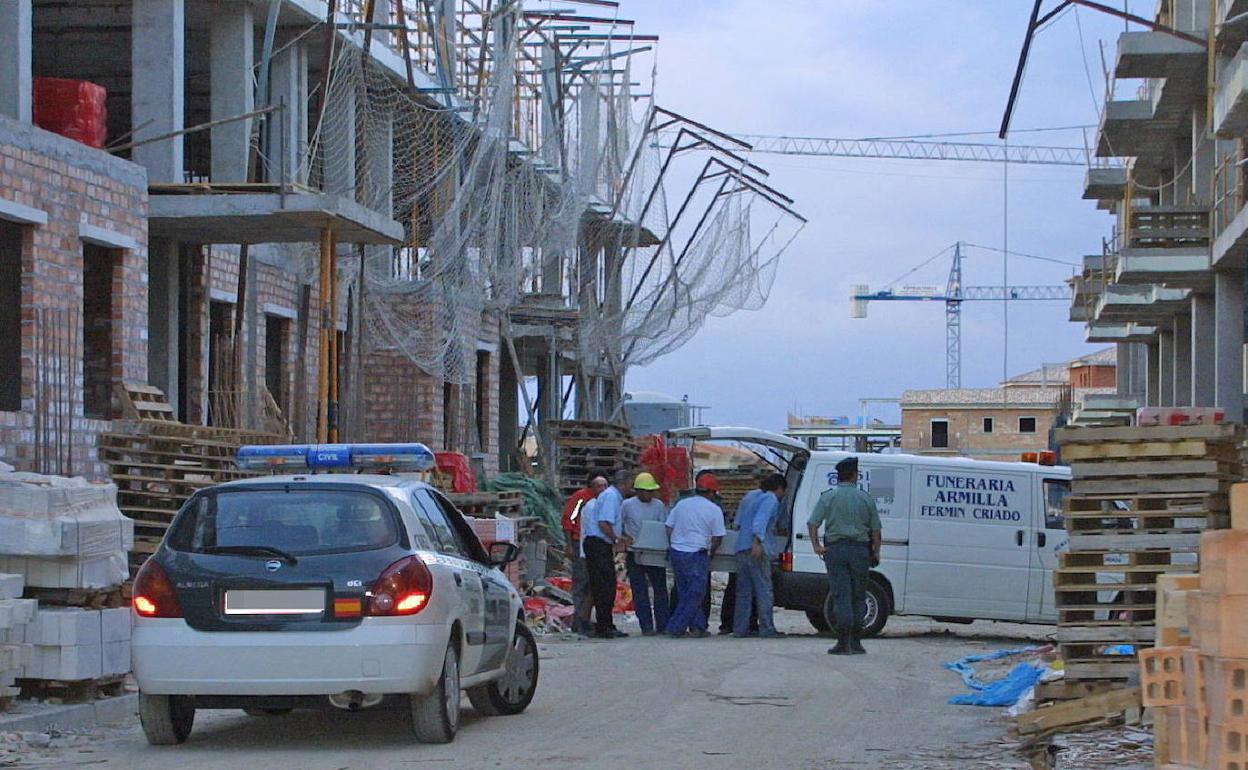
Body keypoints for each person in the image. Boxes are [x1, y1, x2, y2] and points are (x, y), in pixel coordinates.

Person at [807, 457, 882, 656]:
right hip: (860, 551)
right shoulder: (865, 498)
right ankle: (856, 642)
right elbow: (876, 530)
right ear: (854, 475)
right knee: (859, 595)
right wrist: (876, 552)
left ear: (838, 476)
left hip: (836, 550)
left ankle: (842, 641)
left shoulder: (828, 497)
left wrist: (817, 546)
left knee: (841, 595)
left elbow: (812, 523)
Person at [664, 473, 726, 638]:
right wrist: (710, 552)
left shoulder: (682, 504)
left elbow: (669, 527)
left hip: (678, 552)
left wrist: (673, 544)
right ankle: (675, 627)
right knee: (696, 593)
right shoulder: (714, 510)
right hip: (697, 553)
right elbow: (718, 537)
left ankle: (698, 626)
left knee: (685, 592)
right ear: (712, 492)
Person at [733, 473, 787, 638]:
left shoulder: (752, 496)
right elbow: (760, 522)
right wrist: (758, 542)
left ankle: (740, 629)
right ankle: (767, 628)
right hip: (757, 549)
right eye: (783, 491)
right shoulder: (770, 499)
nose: (783, 495)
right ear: (778, 488)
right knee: (764, 589)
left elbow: (738, 522)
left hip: (741, 547)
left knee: (744, 591)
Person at [582, 469, 631, 639]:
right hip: (598, 544)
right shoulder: (611, 497)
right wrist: (616, 540)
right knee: (604, 587)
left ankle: (606, 624)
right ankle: (603, 626)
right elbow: (604, 523)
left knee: (605, 586)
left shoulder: (612, 496)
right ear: (624, 483)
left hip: (599, 544)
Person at [620, 472, 670, 636]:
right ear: (638, 491)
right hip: (635, 552)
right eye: (645, 491)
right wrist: (624, 538)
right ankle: (646, 626)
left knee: (660, 590)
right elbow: (619, 525)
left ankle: (663, 624)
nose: (648, 495)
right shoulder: (627, 505)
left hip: (654, 552)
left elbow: (664, 527)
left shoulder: (659, 506)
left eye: (650, 492)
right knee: (640, 591)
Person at [562, 473, 607, 635]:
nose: (602, 489)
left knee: (592, 584)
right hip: (579, 543)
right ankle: (579, 621)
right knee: (581, 583)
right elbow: (568, 520)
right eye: (598, 486)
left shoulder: (604, 501)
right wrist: (569, 545)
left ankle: (585, 618)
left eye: (604, 486)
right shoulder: (581, 498)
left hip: (595, 546)